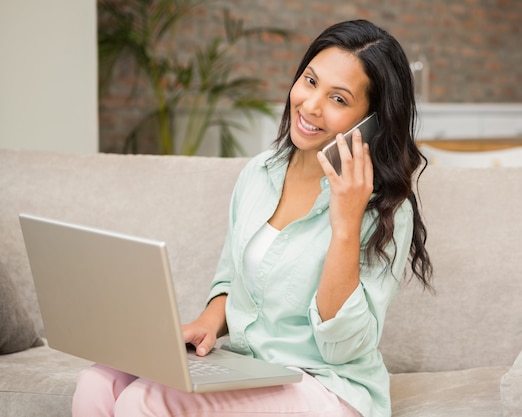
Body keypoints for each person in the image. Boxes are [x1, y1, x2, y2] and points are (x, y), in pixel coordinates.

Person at [72, 19, 432, 417]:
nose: (311, 106)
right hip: (250, 368)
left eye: (339, 99)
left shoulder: (386, 210)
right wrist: (208, 323)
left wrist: (345, 223)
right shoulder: (259, 173)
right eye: (310, 82)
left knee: (146, 400)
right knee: (98, 382)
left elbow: (343, 347)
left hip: (326, 387)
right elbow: (232, 278)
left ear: (372, 121)